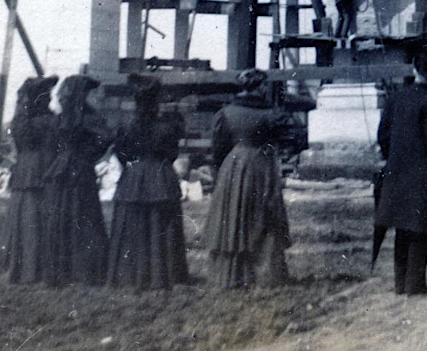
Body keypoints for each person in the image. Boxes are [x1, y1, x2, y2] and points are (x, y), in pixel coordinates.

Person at [204, 68, 298, 288]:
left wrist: (220, 171)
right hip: (262, 165)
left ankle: (232, 274)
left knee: (235, 215)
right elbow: (293, 134)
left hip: (234, 166)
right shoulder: (271, 113)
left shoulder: (226, 113)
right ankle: (265, 274)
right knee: (263, 215)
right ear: (260, 87)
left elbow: (218, 148)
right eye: (263, 86)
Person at [375, 46, 427, 294]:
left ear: (414, 69)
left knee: (402, 229)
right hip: (424, 177)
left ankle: (400, 284)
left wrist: (396, 158)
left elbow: (383, 136)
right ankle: (414, 284)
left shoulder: (395, 98)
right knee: (423, 231)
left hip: (397, 174)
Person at [107, 74, 189, 290]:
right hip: (161, 176)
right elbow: (172, 153)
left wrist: (134, 169)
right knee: (160, 225)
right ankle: (163, 274)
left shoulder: (125, 124)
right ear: (156, 100)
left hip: (133, 176)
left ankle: (130, 274)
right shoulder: (168, 125)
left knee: (132, 226)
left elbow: (121, 153)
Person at [43, 75, 110, 286]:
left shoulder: (61, 117)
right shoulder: (88, 117)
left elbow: (51, 145)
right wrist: (89, 155)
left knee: (63, 216)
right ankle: (85, 270)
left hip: (63, 169)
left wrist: (63, 158)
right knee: (84, 216)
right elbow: (106, 137)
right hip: (80, 168)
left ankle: (63, 271)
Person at [0, 75, 59, 283]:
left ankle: (23, 265)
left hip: (26, 171)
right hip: (40, 169)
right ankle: (36, 267)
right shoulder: (47, 122)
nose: (49, 99)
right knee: (35, 218)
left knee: (26, 218)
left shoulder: (22, 122)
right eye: (46, 95)